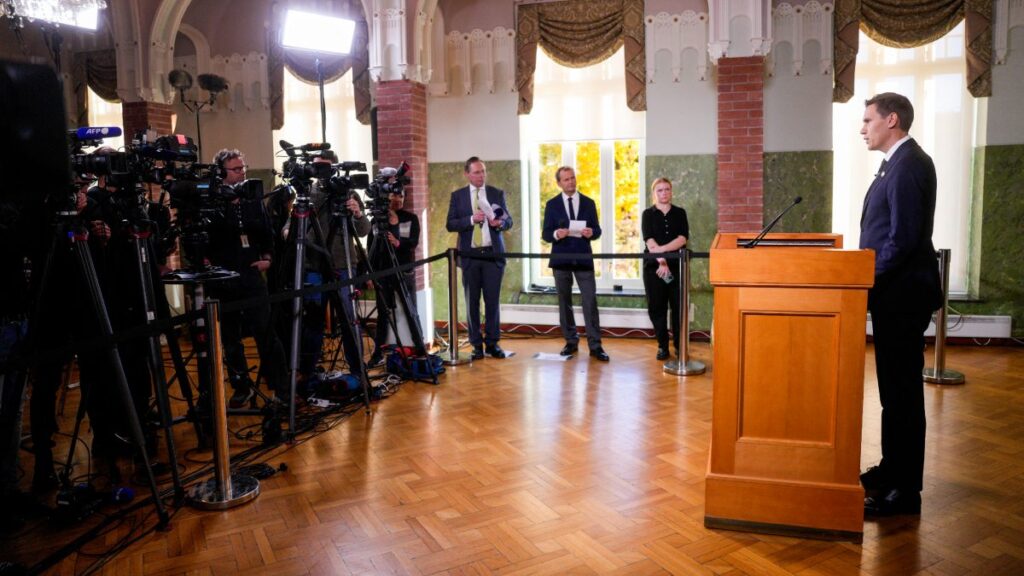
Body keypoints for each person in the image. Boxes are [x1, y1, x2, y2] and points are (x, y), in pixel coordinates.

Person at [858, 92, 943, 517]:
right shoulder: (897, 162)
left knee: (904, 395)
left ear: (892, 120)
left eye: (868, 120)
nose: (863, 128)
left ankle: (905, 492)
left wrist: (865, 276)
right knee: (893, 393)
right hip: (893, 295)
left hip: (903, 296)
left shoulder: (909, 163)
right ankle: (891, 469)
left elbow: (904, 238)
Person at [205, 149, 289, 407]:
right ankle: (241, 387)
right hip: (222, 279)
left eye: (244, 167)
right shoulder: (211, 200)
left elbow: (267, 233)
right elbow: (205, 236)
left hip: (251, 275)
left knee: (266, 333)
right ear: (222, 172)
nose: (242, 173)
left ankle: (281, 389)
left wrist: (268, 259)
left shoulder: (252, 198)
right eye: (237, 169)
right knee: (230, 340)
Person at [446, 157, 513, 360]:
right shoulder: (458, 196)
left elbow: (508, 220)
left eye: (483, 171)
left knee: (492, 302)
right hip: (470, 257)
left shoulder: (496, 193)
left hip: (493, 256)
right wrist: (470, 220)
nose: (481, 175)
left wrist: (500, 223)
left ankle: (493, 344)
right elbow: (450, 223)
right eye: (476, 172)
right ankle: (476, 345)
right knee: (471, 302)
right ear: (466, 174)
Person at [541, 166, 609, 362]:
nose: (570, 182)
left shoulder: (588, 202)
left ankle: (595, 346)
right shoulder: (552, 204)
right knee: (564, 303)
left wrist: (591, 233)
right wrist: (556, 234)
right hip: (561, 259)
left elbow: (597, 230)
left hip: (583, 259)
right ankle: (571, 341)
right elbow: (546, 234)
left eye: (572, 178)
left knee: (590, 301)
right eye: (566, 179)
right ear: (559, 183)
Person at [368, 188, 421, 366]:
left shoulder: (411, 218)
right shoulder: (376, 221)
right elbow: (371, 249)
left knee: (411, 310)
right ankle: (377, 353)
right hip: (383, 272)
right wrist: (370, 273)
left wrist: (398, 242)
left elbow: (413, 242)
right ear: (386, 198)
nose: (397, 199)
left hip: (404, 272)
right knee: (383, 314)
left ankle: (420, 348)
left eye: (401, 196)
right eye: (393, 196)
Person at [641, 178, 689, 360]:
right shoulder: (648, 214)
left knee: (677, 307)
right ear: (654, 193)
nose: (664, 193)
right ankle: (662, 346)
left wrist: (662, 252)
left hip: (676, 267)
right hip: (654, 268)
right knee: (656, 307)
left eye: (667, 189)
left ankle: (679, 345)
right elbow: (649, 240)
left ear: (671, 191)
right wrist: (661, 260)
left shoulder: (680, 213)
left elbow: (682, 238)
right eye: (660, 190)